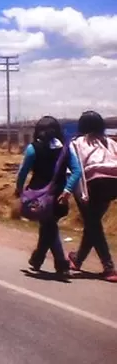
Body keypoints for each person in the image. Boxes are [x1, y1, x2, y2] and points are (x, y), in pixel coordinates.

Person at [15, 116, 81, 279]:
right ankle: (42, 260)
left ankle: (59, 264)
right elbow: (77, 171)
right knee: (49, 227)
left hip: (39, 196)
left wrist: (19, 190)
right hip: (59, 196)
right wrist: (67, 190)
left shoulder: (33, 149)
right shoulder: (65, 149)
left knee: (49, 227)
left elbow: (22, 172)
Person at [67, 111, 117, 282]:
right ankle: (77, 259)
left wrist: (76, 192)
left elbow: (76, 166)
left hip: (93, 183)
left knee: (93, 223)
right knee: (93, 222)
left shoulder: (78, 142)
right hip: (113, 183)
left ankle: (108, 267)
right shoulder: (110, 142)